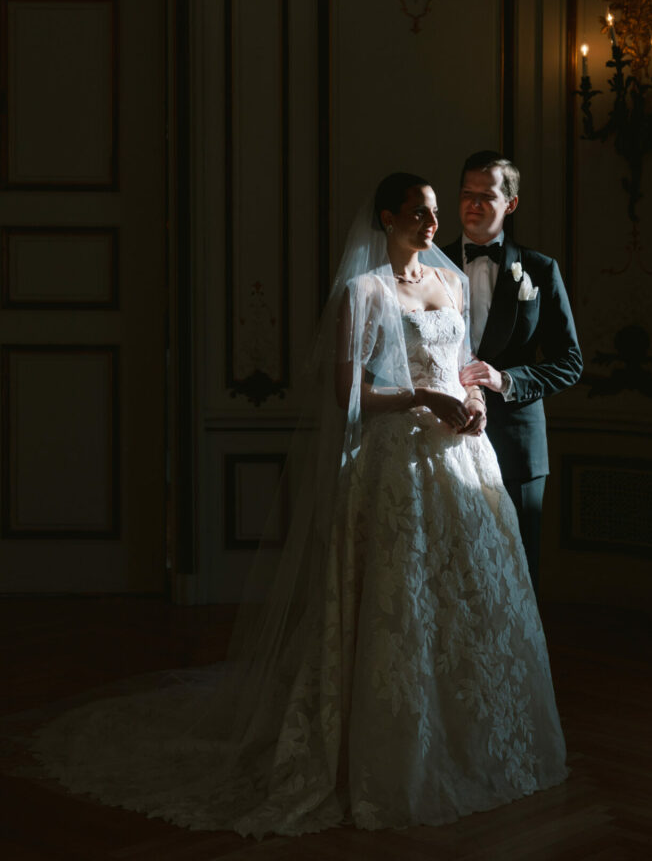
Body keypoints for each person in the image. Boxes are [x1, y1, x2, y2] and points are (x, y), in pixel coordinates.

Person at [27, 173, 567, 837]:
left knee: (470, 601)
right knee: (396, 603)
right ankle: (388, 746)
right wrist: (424, 401)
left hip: (458, 461)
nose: (434, 225)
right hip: (393, 470)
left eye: (434, 214)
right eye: (421, 213)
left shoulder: (449, 282)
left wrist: (474, 399)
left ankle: (475, 741)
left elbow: (462, 363)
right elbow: (345, 400)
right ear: (389, 217)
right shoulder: (361, 295)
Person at [444, 152, 583, 586]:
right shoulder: (430, 265)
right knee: (452, 573)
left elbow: (570, 362)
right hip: (446, 440)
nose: (474, 204)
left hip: (518, 448)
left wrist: (506, 380)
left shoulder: (540, 270)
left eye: (486, 196)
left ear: (511, 203)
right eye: (467, 194)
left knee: (518, 575)